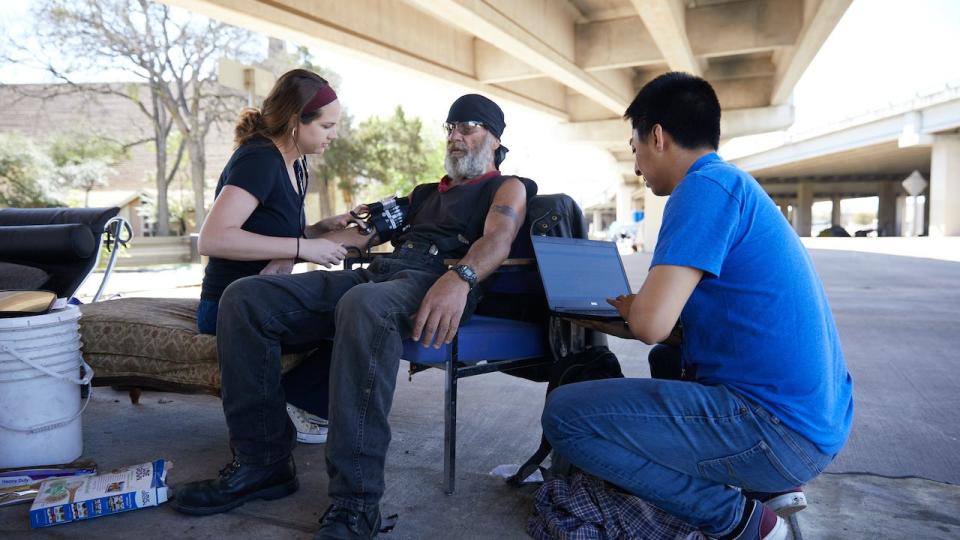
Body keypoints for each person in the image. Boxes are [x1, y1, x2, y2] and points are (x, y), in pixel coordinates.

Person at [172, 94, 534, 539]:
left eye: (470, 127)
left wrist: (460, 278)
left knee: (364, 306)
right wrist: (297, 246)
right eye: (451, 127)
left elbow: (498, 240)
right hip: (382, 273)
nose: (456, 136)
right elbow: (356, 238)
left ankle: (356, 502)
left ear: (495, 138)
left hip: (436, 281)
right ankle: (262, 463)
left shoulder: (507, 186)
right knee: (246, 298)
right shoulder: (423, 194)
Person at [541, 72, 854, 540]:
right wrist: (631, 314)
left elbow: (650, 321)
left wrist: (632, 310)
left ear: (658, 137)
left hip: (781, 432)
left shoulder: (703, 190)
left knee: (565, 415)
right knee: (666, 358)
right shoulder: (734, 185)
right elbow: (670, 332)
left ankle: (738, 519)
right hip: (817, 419)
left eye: (635, 148)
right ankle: (768, 486)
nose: (638, 167)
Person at [196, 69, 360, 445]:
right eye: (326, 125)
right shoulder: (259, 160)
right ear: (294, 121)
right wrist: (302, 248)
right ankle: (295, 401)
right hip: (227, 307)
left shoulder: (295, 164)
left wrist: (317, 230)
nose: (333, 135)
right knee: (356, 316)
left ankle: (295, 398)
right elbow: (214, 238)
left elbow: (271, 232)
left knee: (365, 307)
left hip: (265, 296)